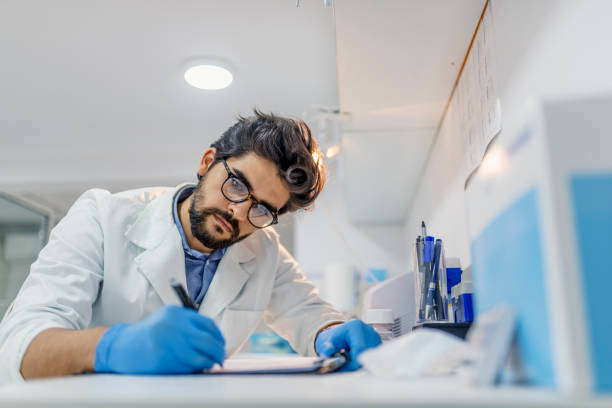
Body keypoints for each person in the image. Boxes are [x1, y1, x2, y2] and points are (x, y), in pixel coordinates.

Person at [0, 110, 381, 383]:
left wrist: (331, 330)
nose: (238, 211)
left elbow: (305, 311)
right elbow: (19, 347)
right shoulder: (102, 216)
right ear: (207, 162)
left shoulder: (263, 248)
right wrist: (112, 346)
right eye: (236, 185)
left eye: (262, 209)